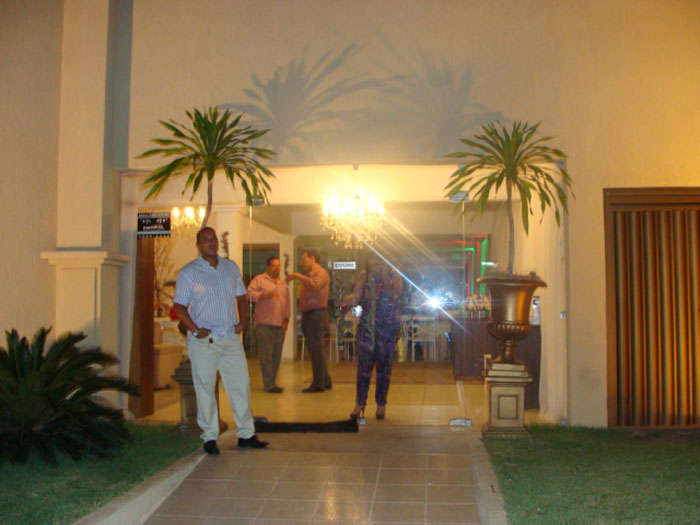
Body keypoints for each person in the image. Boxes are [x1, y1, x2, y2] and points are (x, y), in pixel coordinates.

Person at [172, 227, 269, 454]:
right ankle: (209, 437)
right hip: (204, 341)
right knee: (205, 388)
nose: (211, 243)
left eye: (213, 239)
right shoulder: (189, 273)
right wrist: (195, 330)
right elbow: (178, 306)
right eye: (205, 240)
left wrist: (243, 322)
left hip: (229, 338)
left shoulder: (230, 267)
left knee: (240, 385)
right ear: (198, 245)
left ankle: (246, 434)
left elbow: (241, 297)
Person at [341, 252, 403, 420]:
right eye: (371, 261)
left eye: (376, 261)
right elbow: (356, 297)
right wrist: (346, 300)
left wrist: (385, 278)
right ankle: (360, 403)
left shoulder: (393, 274)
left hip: (387, 328)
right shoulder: (364, 275)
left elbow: (395, 296)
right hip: (367, 329)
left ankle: (381, 405)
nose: (373, 264)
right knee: (363, 369)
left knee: (384, 369)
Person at [286, 248, 332, 392]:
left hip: (316, 314)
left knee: (316, 349)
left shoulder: (320, 273)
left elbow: (315, 284)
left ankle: (318, 384)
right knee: (315, 349)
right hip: (310, 314)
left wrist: (297, 275)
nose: (302, 262)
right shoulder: (311, 274)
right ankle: (325, 380)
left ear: (313, 258)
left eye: (304, 259)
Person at [247, 256, 290, 393]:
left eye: (278, 266)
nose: (277, 268)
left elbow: (287, 303)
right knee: (265, 356)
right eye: (274, 265)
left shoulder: (283, 284)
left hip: (279, 325)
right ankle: (269, 385)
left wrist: (286, 320)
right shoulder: (259, 280)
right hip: (264, 324)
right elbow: (248, 294)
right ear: (268, 267)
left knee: (276, 356)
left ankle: (272, 382)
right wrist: (262, 295)